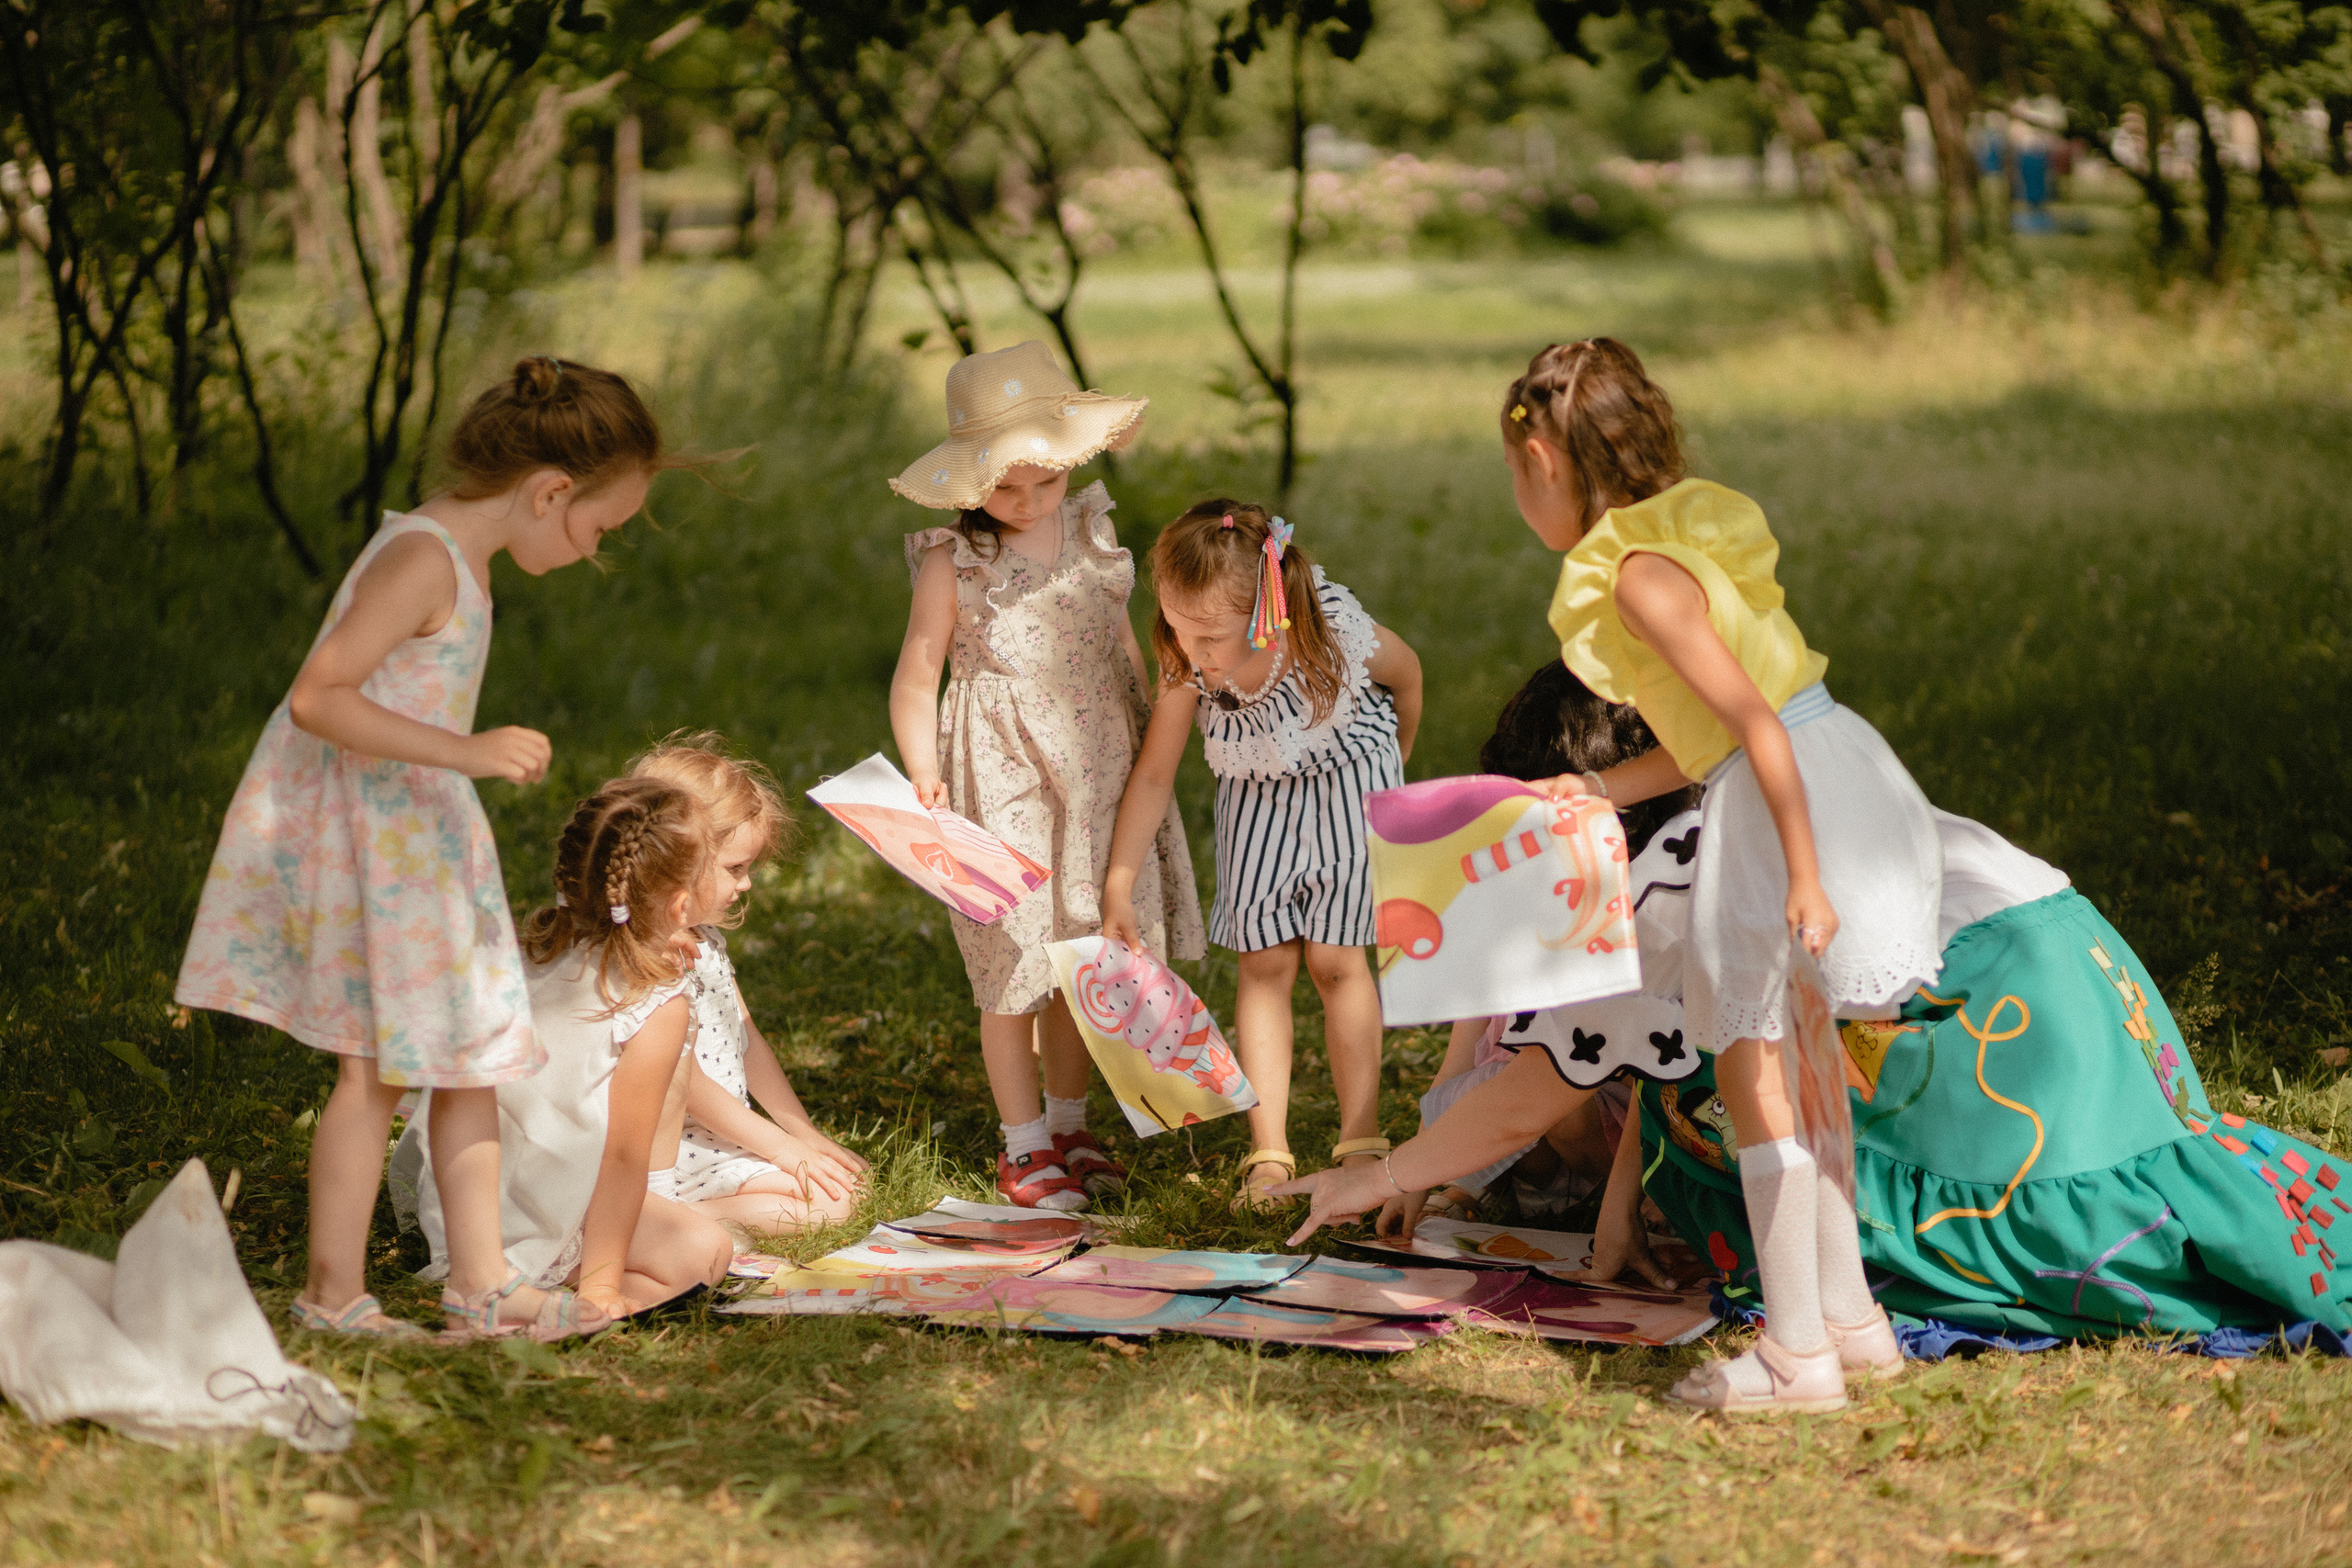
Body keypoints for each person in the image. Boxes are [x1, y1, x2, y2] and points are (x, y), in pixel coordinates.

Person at [1283, 338, 1943, 1414]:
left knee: (1758, 1073)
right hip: (1802, 775)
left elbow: (1753, 725)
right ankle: (1850, 1324)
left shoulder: (1638, 576)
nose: (1517, 495)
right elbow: (1700, 741)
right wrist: (1597, 789)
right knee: (1802, 1071)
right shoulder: (1664, 551)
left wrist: (1803, 873)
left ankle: (1797, 1353)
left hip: (1786, 794)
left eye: (1514, 473)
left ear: (1544, 459)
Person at [175, 355, 678, 1340]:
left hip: (423, 842)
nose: (596, 550)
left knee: (470, 1058)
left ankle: (482, 1285)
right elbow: (319, 697)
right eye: (601, 528)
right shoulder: (423, 558)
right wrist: (467, 752)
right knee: (376, 1070)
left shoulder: (459, 559)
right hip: (383, 849)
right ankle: (332, 1295)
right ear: (551, 491)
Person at [888, 342, 1204, 1210]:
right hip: (1002, 775)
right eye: (1006, 488)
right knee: (1014, 957)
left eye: (1046, 481)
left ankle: (1069, 1121)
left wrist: (1152, 725)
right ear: (969, 481)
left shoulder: (1093, 534)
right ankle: (1023, 1142)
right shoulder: (955, 563)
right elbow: (917, 675)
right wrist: (922, 768)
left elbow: (1121, 641)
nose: (1027, 502)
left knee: (1081, 947)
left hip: (1095, 761)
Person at [1102, 501, 1425, 1208]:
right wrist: (1119, 883)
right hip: (1256, 795)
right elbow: (1154, 775)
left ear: (1267, 614)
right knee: (1265, 962)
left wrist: (1392, 769)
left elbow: (1407, 676)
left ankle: (1361, 1137)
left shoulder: (1331, 633)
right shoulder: (1190, 666)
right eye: (1176, 626)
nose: (1190, 648)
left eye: (1209, 635)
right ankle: (1269, 1148)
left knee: (1336, 960)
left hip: (1349, 782)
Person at [399, 777, 737, 1318]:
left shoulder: (525, 946)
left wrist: (650, 932)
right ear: (679, 906)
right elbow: (623, 1156)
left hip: (461, 1202)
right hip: (553, 1206)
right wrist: (602, 1285)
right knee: (707, 1250)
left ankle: (532, 1290)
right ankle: (573, 1301)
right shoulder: (656, 1002)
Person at [627, 732, 866, 1235]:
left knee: (846, 1194)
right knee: (830, 1206)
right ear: (675, 860)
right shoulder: (645, 953)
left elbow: (747, 1040)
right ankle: (660, 1225)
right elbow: (683, 1082)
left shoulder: (706, 941)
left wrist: (803, 1135)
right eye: (735, 868)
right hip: (660, 1152)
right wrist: (781, 1149)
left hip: (717, 1140)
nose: (747, 883)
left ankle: (675, 1224)